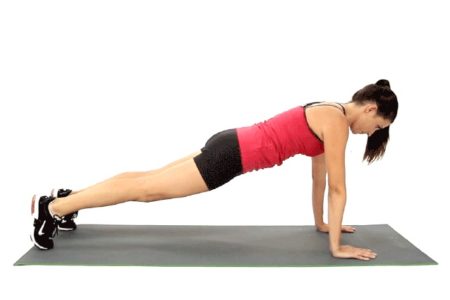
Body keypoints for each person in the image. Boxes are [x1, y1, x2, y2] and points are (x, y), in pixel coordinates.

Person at [31, 79, 398, 261]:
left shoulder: (329, 112)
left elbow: (320, 177)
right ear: (368, 110)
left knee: (143, 179)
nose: (373, 133)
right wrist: (336, 247)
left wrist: (321, 225)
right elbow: (338, 187)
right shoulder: (335, 123)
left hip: (231, 142)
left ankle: (69, 199)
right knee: (145, 189)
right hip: (229, 157)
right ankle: (51, 209)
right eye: (379, 126)